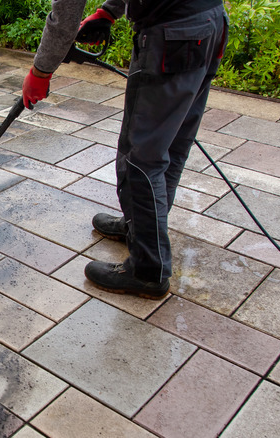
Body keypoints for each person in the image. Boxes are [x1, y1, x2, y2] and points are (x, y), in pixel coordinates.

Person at [22, 0, 228, 299]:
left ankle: (148, 270)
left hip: (174, 36)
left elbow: (64, 18)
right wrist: (109, 11)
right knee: (171, 142)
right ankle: (141, 228)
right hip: (209, 23)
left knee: (142, 158)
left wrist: (40, 72)